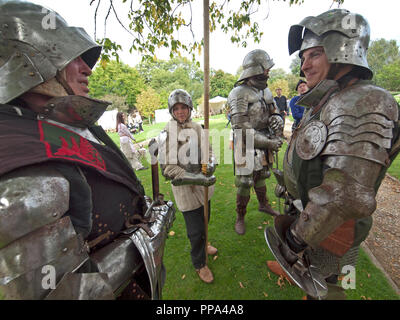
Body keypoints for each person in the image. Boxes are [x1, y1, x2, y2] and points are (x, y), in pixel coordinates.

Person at [0, 1, 175, 300]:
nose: (87, 69)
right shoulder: (21, 156)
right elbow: (65, 292)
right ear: (25, 64)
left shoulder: (73, 125)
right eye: (71, 57)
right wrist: (151, 231)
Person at [265, 9, 400, 300]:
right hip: (312, 215)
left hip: (335, 229)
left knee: (334, 285)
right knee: (315, 275)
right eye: (302, 58)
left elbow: (345, 195)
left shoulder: (362, 101)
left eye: (312, 55)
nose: (304, 66)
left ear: (342, 51)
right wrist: (291, 185)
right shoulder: (330, 97)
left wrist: (293, 240)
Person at [158, 89, 218, 283]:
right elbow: (168, 168)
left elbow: (208, 150)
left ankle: (206, 242)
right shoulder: (168, 133)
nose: (180, 111)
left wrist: (211, 163)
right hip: (185, 188)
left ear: (190, 108)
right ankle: (199, 263)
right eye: (176, 108)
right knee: (195, 231)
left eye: (184, 107)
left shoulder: (197, 127)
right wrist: (195, 177)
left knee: (206, 219)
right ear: (171, 111)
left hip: (203, 185)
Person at [227, 49, 284, 235]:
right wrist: (268, 143)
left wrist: (277, 121)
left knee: (262, 175)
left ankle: (263, 204)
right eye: (266, 69)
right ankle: (240, 216)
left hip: (264, 137)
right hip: (246, 143)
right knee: (245, 181)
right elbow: (241, 128)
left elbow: (273, 113)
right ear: (256, 70)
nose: (268, 72)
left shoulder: (266, 91)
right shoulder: (239, 93)